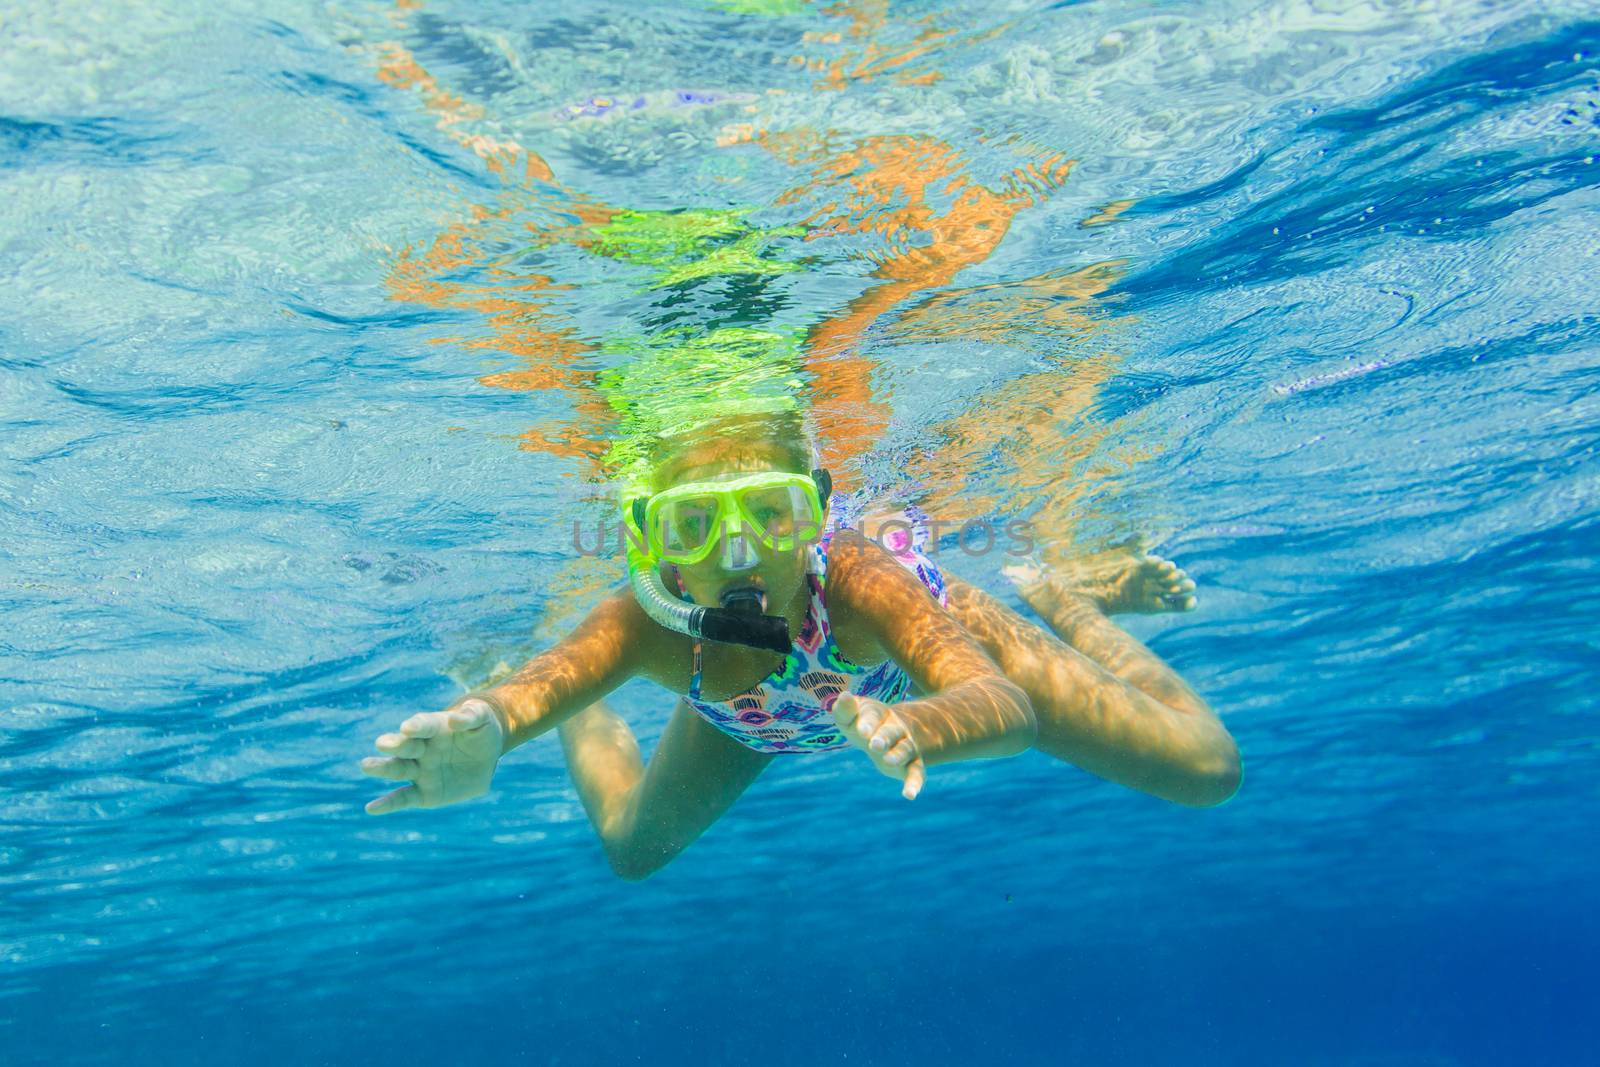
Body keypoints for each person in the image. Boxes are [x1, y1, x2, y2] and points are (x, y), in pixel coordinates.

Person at [360, 411, 1240, 880]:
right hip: (747, 722)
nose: (739, 552)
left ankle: (1072, 597)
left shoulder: (860, 582)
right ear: (649, 541)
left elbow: (1002, 702)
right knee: (631, 850)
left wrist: (927, 727)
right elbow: (544, 682)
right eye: (695, 522)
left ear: (815, 513)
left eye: (770, 512)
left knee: (1208, 768)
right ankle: (575, 731)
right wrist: (488, 725)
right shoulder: (640, 621)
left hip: (906, 677)